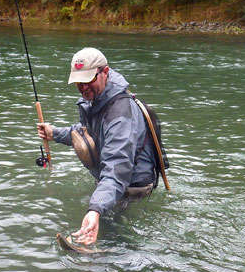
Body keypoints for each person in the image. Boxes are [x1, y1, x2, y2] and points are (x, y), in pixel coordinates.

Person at [37, 47, 158, 245]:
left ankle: (102, 256)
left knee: (112, 231)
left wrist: (95, 209)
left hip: (132, 187)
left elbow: (117, 167)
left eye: (88, 80)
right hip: (112, 182)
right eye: (79, 82)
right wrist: (54, 133)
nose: (83, 87)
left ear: (105, 72)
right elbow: (88, 132)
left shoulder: (120, 115)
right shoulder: (98, 100)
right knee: (97, 212)